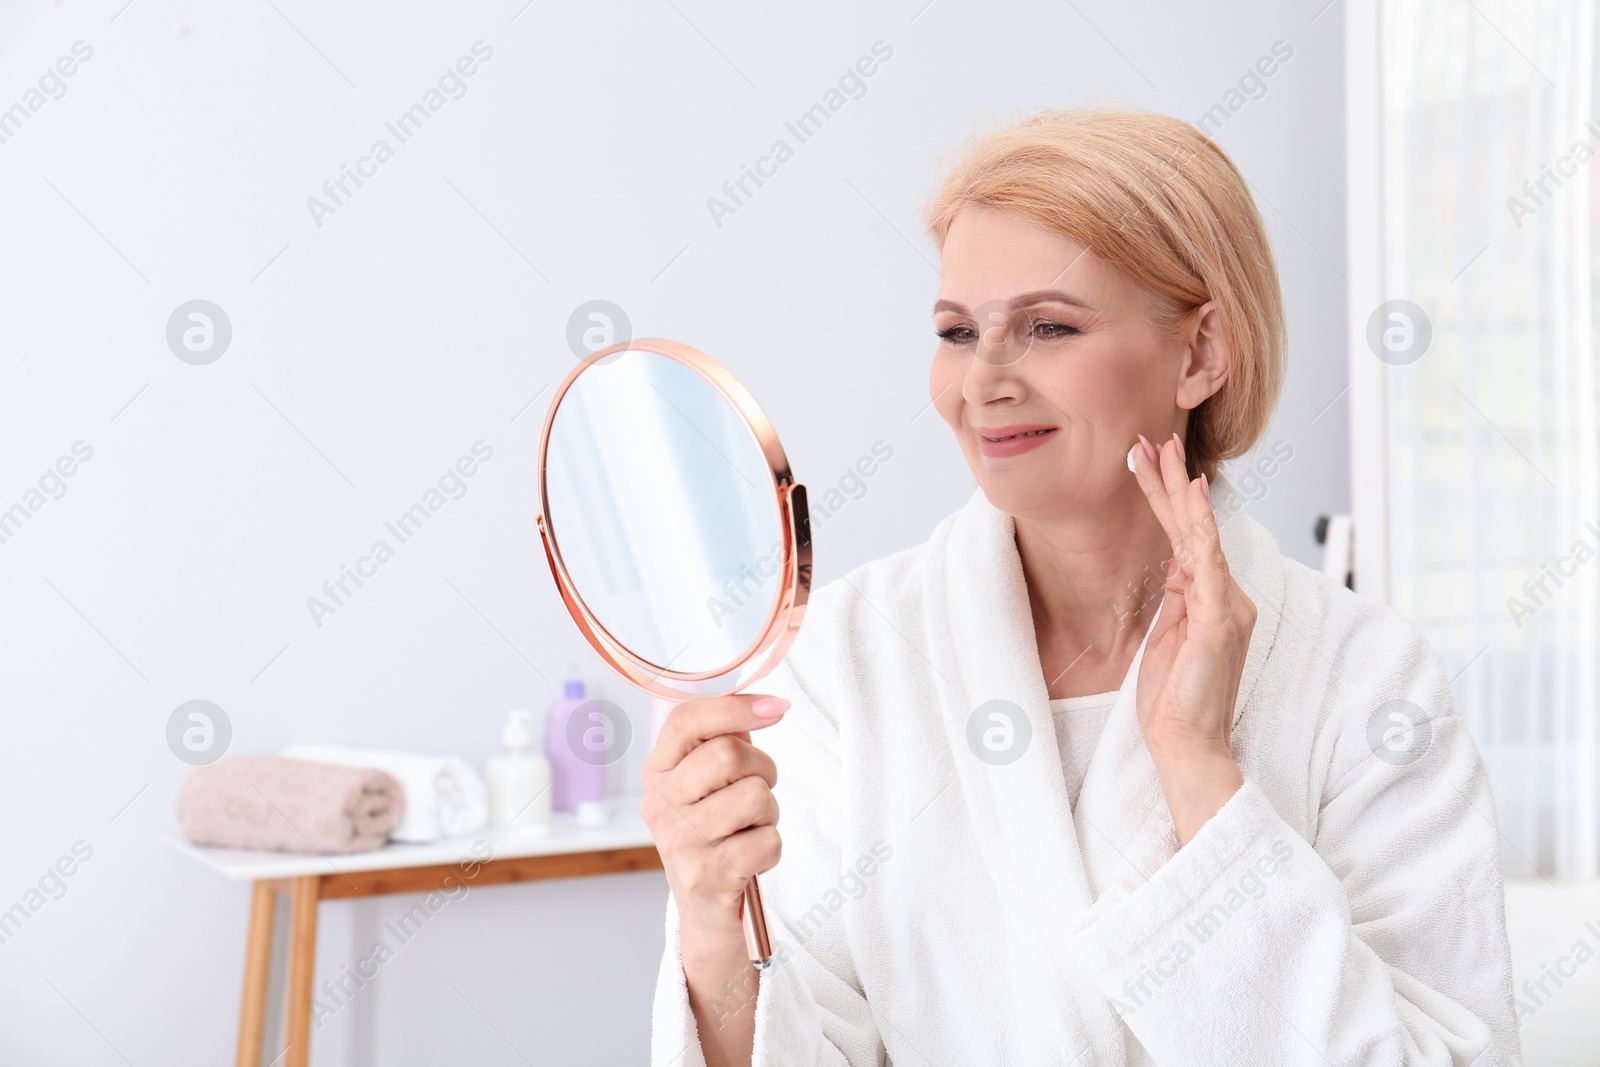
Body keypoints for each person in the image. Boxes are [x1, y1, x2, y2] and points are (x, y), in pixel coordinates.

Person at [641, 107, 1521, 1066]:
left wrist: (1201, 773)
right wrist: (714, 925)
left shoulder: (1364, 674)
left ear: (1200, 353)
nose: (983, 380)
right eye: (958, 330)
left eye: (1047, 326)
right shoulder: (848, 657)